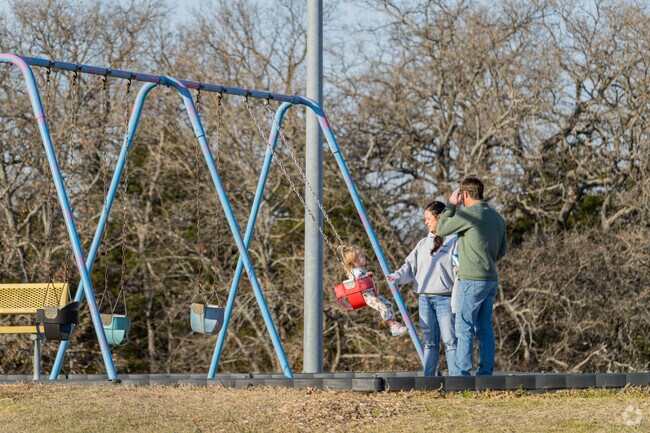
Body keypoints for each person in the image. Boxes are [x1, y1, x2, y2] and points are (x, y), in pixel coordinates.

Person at [436, 177, 507, 376]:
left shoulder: (467, 215)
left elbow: (441, 229)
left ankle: (461, 373)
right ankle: (485, 372)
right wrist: (486, 260)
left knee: (463, 325)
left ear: (464, 194)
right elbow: (502, 250)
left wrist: (451, 205)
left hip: (471, 280)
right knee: (484, 327)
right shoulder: (497, 217)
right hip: (490, 279)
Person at [388, 201, 459, 376]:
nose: (426, 222)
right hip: (425, 299)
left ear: (439, 217)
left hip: (445, 298)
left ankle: (456, 379)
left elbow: (459, 270)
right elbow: (409, 266)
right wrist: (396, 276)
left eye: (428, 218)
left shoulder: (454, 241)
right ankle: (428, 379)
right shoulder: (422, 244)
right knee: (429, 343)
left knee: (450, 341)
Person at [339, 245, 408, 337]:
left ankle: (394, 324)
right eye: (361, 255)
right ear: (355, 261)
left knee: (388, 304)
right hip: (366, 296)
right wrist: (367, 275)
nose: (364, 256)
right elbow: (356, 280)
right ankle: (392, 325)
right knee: (382, 306)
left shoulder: (360, 269)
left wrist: (367, 275)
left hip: (372, 293)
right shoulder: (355, 271)